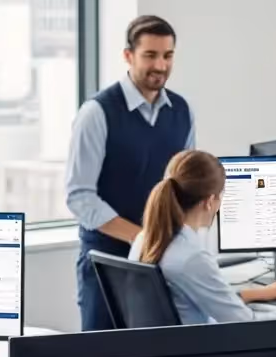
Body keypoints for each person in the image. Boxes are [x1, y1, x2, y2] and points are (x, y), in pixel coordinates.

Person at [66, 15, 195, 331]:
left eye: (167, 55)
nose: (160, 65)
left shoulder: (182, 111)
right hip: (106, 265)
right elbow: (80, 197)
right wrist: (142, 238)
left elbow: (186, 187)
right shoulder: (96, 113)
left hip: (162, 263)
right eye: (150, 55)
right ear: (128, 56)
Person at [133, 149, 276, 323]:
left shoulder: (145, 239)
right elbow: (244, 324)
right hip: (201, 353)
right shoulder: (192, 257)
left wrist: (255, 293)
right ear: (210, 201)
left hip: (164, 350)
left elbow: (195, 295)